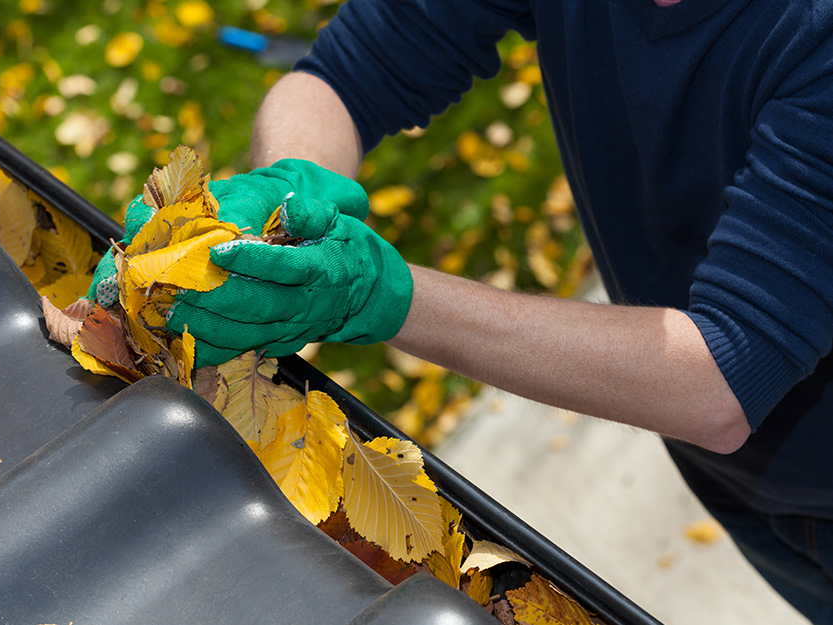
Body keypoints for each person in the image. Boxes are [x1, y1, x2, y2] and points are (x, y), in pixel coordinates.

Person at [90, 0, 833, 620]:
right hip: (749, 476)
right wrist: (289, 190)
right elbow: (347, 75)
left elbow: (718, 375)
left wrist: (377, 292)